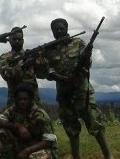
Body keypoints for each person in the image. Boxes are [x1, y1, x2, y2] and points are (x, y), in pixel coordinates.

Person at [44, 18, 112, 159]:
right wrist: (61, 78)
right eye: (56, 29)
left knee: (95, 125)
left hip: (83, 92)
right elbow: (47, 71)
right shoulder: (49, 51)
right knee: (71, 129)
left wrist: (87, 56)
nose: (59, 31)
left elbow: (87, 65)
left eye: (61, 28)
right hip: (65, 94)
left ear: (67, 28)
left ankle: (108, 156)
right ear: (52, 32)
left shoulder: (78, 43)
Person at [0, 83, 57, 159]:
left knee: (34, 157)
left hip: (42, 148)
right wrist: (17, 126)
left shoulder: (40, 115)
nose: (22, 102)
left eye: (25, 99)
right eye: (19, 99)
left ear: (31, 99)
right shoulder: (13, 110)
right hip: (23, 145)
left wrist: (28, 151)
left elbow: (49, 141)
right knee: (2, 133)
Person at [0, 27, 41, 108]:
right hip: (15, 101)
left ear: (23, 40)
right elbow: (6, 76)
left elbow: (42, 75)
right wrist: (23, 66)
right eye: (14, 39)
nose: (17, 41)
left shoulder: (31, 55)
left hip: (33, 101)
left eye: (19, 39)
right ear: (9, 40)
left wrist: (42, 61)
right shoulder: (4, 58)